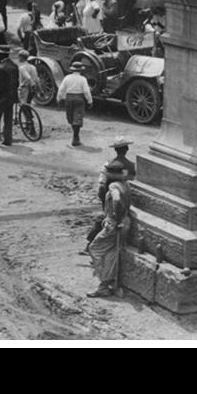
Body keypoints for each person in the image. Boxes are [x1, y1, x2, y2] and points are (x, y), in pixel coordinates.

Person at [87, 156, 132, 298]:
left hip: (114, 224)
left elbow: (117, 199)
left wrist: (115, 217)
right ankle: (108, 283)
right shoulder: (127, 184)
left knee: (94, 249)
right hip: (125, 222)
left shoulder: (114, 187)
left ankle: (104, 282)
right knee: (112, 253)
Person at [85, 136, 136, 253]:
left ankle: (91, 245)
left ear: (115, 150)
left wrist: (104, 198)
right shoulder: (132, 166)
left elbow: (102, 186)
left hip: (110, 202)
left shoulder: (108, 165)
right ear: (127, 149)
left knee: (104, 222)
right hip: (125, 202)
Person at [0, 45, 19, 147]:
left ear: (1, 55)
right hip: (11, 97)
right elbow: (16, 83)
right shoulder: (14, 66)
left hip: (1, 98)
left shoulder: (0, 68)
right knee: (8, 119)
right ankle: (8, 139)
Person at [57, 60, 93, 146]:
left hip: (69, 98)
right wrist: (90, 101)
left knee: (71, 117)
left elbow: (61, 89)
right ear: (81, 70)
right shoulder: (83, 79)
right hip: (79, 99)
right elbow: (86, 91)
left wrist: (59, 98)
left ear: (72, 69)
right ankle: (75, 136)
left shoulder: (67, 78)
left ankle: (75, 136)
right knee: (77, 118)